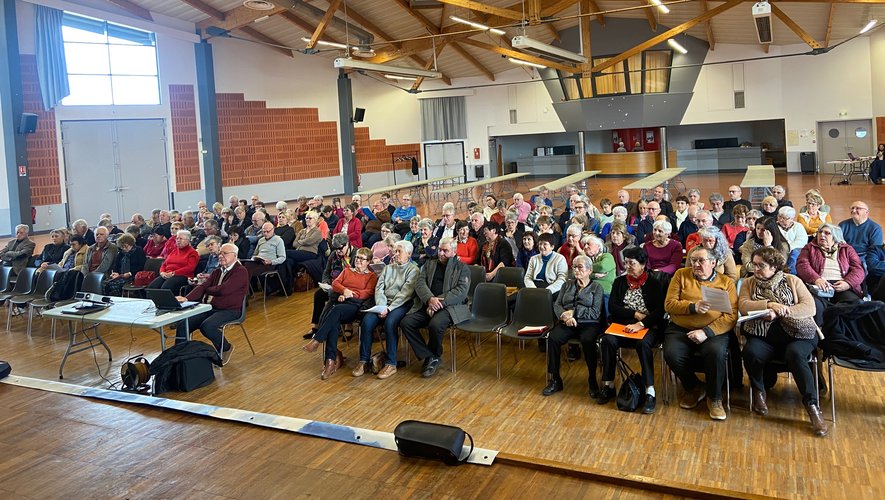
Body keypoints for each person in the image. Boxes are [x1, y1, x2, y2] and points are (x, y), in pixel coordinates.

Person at [739, 247, 828, 436]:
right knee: (750, 352)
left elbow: (809, 307)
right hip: (764, 334)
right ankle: (759, 391)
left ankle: (812, 407)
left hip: (798, 334)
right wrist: (769, 305)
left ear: (774, 267)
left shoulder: (792, 280)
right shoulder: (749, 283)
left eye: (761, 265)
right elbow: (744, 305)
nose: (755, 269)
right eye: (754, 265)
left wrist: (781, 312)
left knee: (795, 355)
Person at [664, 246, 738, 421]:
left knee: (715, 353)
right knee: (672, 353)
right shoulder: (681, 275)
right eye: (693, 260)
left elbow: (731, 316)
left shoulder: (725, 282)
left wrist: (706, 332)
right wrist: (692, 307)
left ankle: (715, 398)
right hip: (681, 327)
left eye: (701, 260)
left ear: (713, 263)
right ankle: (694, 387)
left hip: (713, 330)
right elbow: (669, 304)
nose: (696, 264)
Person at [599, 247, 665, 413]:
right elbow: (613, 307)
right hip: (623, 324)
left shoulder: (654, 284)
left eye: (631, 263)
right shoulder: (620, 282)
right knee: (607, 340)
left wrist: (641, 324)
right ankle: (608, 384)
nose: (627, 266)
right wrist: (634, 314)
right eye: (626, 262)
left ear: (642, 265)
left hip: (648, 325)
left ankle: (650, 391)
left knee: (643, 344)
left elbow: (659, 312)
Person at [303, 247, 378, 380]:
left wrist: (351, 294)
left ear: (368, 262)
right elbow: (335, 283)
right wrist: (344, 291)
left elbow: (368, 293)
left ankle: (318, 340)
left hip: (356, 306)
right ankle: (330, 362)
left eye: (362, 259)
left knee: (335, 310)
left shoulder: (371, 276)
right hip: (342, 302)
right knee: (334, 321)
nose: (358, 260)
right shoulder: (347, 271)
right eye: (357, 257)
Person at [400, 237, 470, 378]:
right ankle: (430, 356)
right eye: (440, 250)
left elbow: (460, 291)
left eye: (445, 251)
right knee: (406, 322)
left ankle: (434, 355)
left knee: (435, 324)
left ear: (454, 252)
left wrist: (438, 303)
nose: (441, 253)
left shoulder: (462, 268)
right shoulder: (429, 264)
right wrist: (430, 299)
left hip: (449, 307)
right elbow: (420, 283)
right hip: (428, 304)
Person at [354, 240, 419, 380]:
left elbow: (405, 293)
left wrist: (389, 309)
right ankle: (364, 360)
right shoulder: (388, 268)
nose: (395, 254)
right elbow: (379, 288)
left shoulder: (413, 270)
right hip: (383, 305)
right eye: (395, 251)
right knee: (367, 322)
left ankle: (391, 363)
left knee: (390, 323)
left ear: (409, 254)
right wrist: (382, 306)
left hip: (401, 305)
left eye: (399, 251)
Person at [542, 255, 605, 397]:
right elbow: (557, 304)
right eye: (574, 267)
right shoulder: (567, 285)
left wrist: (574, 313)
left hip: (589, 324)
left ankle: (592, 379)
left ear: (589, 271)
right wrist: (564, 316)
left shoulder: (596, 287)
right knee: (553, 338)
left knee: (588, 340)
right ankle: (555, 379)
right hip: (567, 322)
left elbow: (595, 312)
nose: (576, 270)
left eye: (580, 267)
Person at [174, 243, 247, 363]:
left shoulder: (241, 271)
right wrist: (186, 299)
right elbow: (202, 286)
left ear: (235, 255)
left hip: (230, 310)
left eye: (225, 253)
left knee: (207, 326)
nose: (221, 256)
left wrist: (207, 289)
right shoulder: (217, 271)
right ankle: (179, 356)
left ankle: (226, 348)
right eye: (220, 253)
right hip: (210, 307)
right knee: (183, 324)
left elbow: (223, 290)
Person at [796, 224, 865, 323]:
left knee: (854, 304)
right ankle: (821, 330)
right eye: (820, 232)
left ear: (835, 237)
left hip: (842, 285)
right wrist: (816, 279)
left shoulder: (847, 249)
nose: (822, 235)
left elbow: (858, 269)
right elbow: (802, 265)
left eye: (827, 233)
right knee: (815, 306)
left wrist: (848, 283)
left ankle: (845, 330)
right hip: (817, 286)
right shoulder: (809, 248)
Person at [303, 233, 355, 340]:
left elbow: (355, 277)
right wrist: (326, 282)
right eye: (336, 249)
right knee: (318, 295)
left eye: (340, 248)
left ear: (347, 244)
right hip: (333, 285)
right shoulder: (333, 255)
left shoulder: (355, 255)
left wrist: (341, 287)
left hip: (348, 287)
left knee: (339, 297)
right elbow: (326, 272)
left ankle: (347, 325)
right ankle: (317, 325)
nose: (338, 251)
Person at [839, 201, 885, 280]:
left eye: (858, 208)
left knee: (863, 270)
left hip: (864, 258)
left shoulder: (875, 228)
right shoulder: (842, 225)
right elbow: (838, 244)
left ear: (867, 212)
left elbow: (874, 251)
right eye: (852, 208)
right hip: (845, 256)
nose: (854, 210)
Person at [777, 206, 808, 274]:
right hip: (779, 249)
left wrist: (788, 248)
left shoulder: (798, 226)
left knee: (795, 252)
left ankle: (791, 274)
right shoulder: (775, 226)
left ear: (792, 219)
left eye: (785, 218)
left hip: (794, 250)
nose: (781, 220)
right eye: (779, 216)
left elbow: (801, 241)